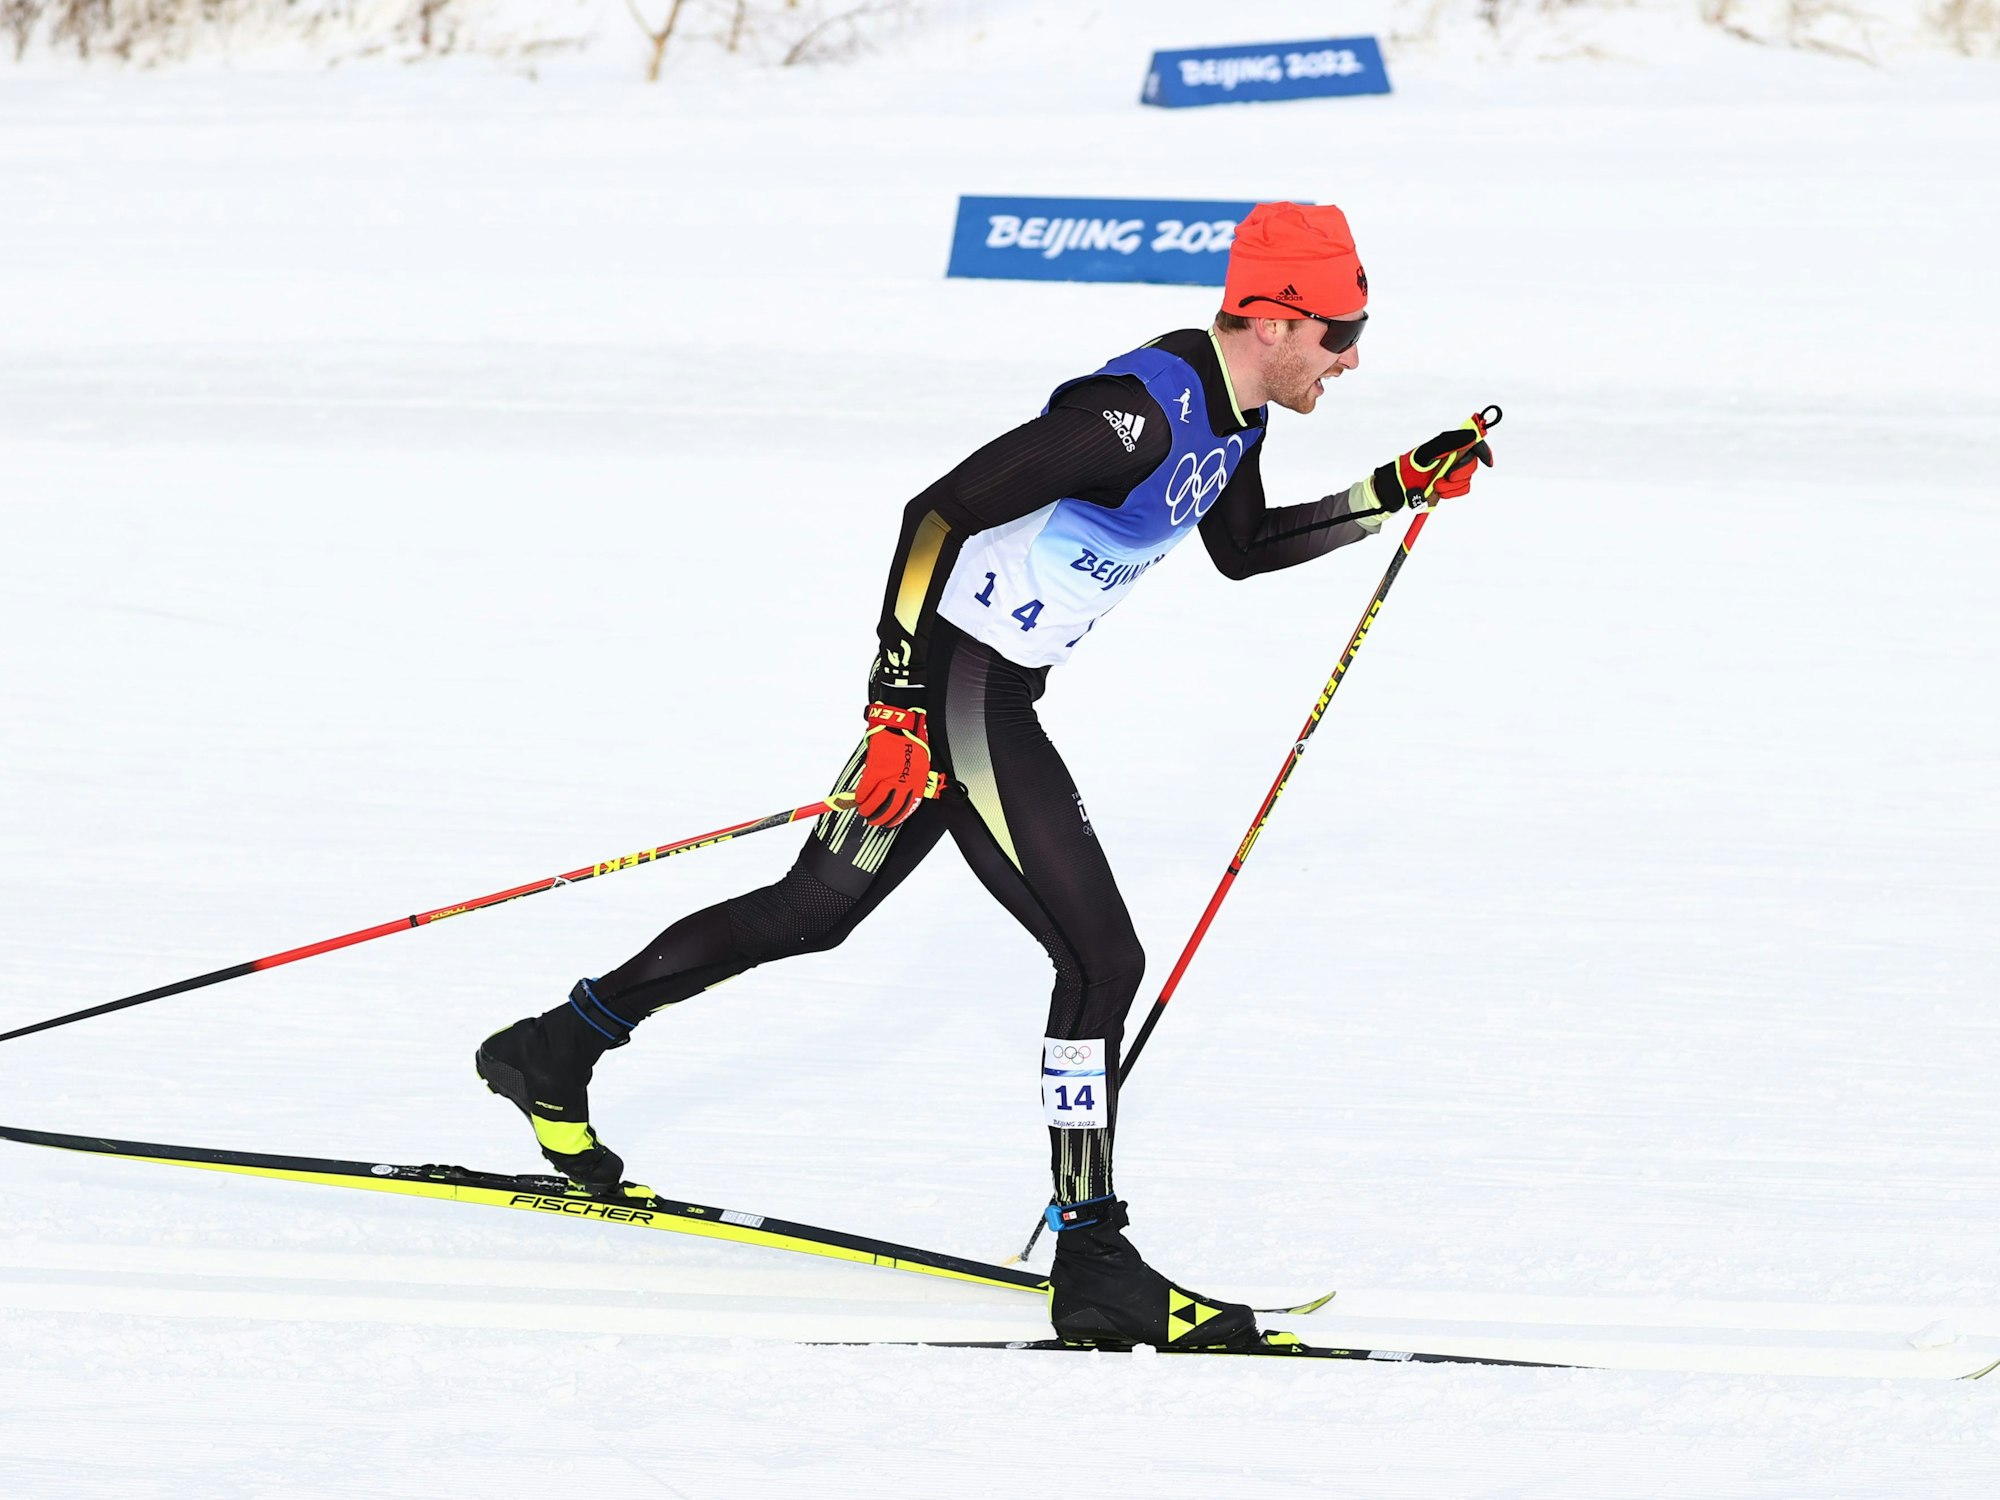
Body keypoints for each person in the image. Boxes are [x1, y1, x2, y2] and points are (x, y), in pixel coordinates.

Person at [475, 201, 1495, 1350]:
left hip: (973, 698)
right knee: (1099, 955)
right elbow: (937, 514)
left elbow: (1244, 551)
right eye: (1341, 330)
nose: (1352, 356)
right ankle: (1095, 1256)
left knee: (811, 912)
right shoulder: (1130, 416)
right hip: (958, 698)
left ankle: (555, 1047)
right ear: (1272, 316)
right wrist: (896, 704)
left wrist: (1390, 489)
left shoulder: (1237, 423)